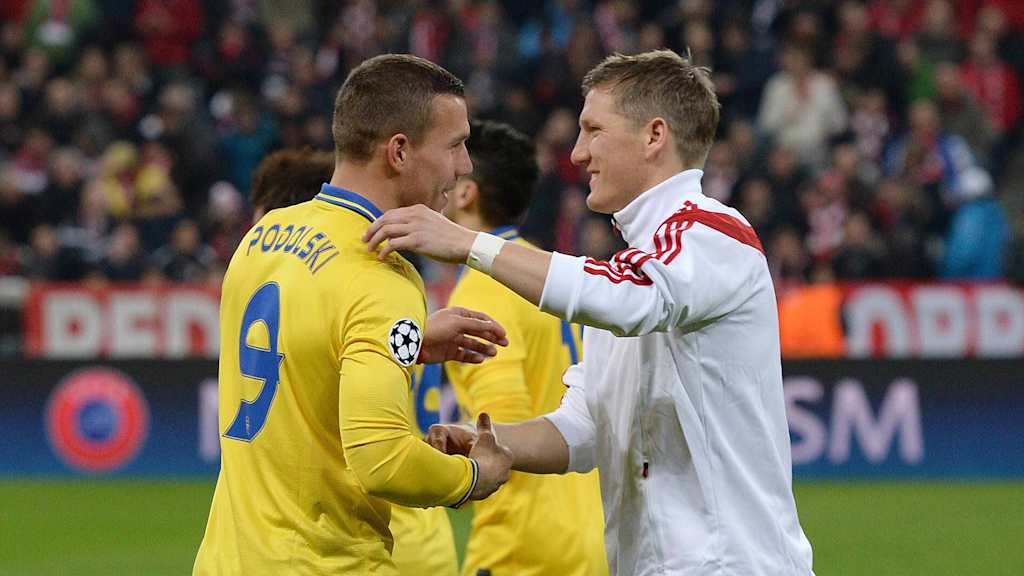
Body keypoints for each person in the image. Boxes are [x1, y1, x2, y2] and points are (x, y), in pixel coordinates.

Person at [366, 50, 815, 575]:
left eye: (594, 130)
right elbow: (586, 428)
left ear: (654, 136)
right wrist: (488, 439)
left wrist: (469, 243)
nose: (578, 153)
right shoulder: (629, 270)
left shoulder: (709, 233)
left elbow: (632, 299)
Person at [194, 54, 514, 575]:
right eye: (455, 145)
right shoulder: (380, 273)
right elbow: (383, 461)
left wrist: (409, 342)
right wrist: (475, 476)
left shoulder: (262, 237)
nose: (465, 166)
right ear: (399, 152)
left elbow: (306, 356)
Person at [245, 147, 462, 575]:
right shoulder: (387, 305)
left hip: (363, 536)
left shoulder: (368, 286)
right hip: (425, 539)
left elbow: (380, 458)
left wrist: (470, 478)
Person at [436, 119, 608, 575]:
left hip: (523, 545)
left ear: (466, 194)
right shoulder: (547, 273)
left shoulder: (483, 288)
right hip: (589, 532)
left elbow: (500, 428)